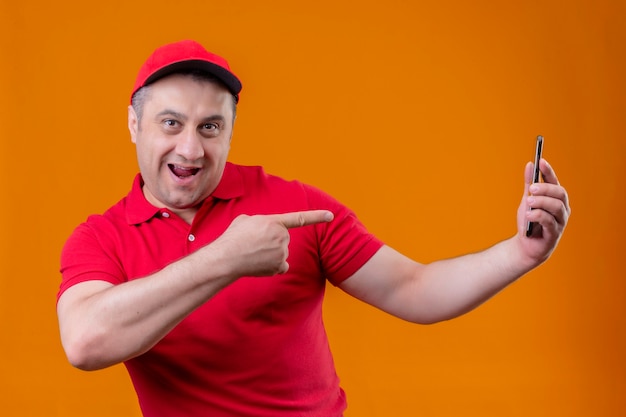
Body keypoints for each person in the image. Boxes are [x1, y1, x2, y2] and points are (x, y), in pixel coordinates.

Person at [57, 39, 570, 417]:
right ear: (133, 124)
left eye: (210, 127)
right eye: (171, 124)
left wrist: (520, 254)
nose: (191, 149)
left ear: (231, 130)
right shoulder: (101, 238)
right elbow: (85, 342)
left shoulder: (294, 205)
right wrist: (227, 258)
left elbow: (415, 289)